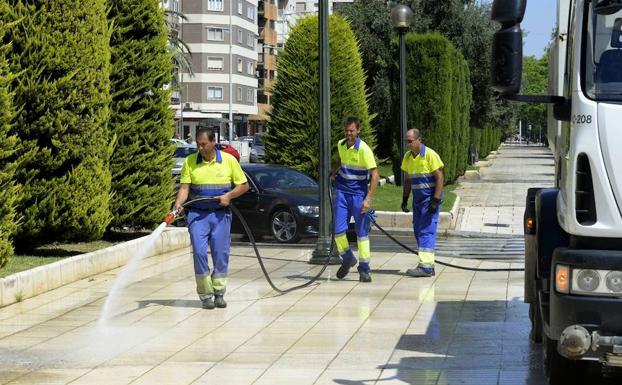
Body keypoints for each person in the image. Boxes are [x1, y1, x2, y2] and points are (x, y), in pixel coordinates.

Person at [173, 127, 249, 309]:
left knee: (220, 254)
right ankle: (205, 295)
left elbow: (244, 186)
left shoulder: (228, 161)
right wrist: (178, 203)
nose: (200, 148)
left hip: (220, 215)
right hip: (197, 215)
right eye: (198, 144)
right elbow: (185, 188)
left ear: (213, 142)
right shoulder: (190, 162)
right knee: (199, 253)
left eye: (203, 144)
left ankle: (219, 292)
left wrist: (229, 196)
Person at [332, 116, 379, 282]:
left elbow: (375, 175)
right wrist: (334, 170)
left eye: (351, 131)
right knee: (337, 231)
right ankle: (347, 258)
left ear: (358, 131)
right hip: (342, 192)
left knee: (361, 233)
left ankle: (364, 269)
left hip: (358, 194)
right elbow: (341, 159)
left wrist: (368, 199)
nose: (348, 134)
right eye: (346, 131)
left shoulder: (364, 150)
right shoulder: (341, 145)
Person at [401, 128, 444, 277]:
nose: (408, 144)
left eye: (410, 141)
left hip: (430, 199)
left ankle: (425, 267)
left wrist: (436, 200)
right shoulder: (407, 157)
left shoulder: (430, 155)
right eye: (407, 141)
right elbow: (407, 180)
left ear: (419, 140)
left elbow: (439, 178)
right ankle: (428, 264)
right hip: (418, 200)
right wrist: (405, 199)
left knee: (426, 231)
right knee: (418, 230)